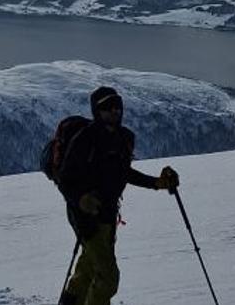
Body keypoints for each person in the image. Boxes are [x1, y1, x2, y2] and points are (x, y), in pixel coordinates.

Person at [57, 85, 178, 305]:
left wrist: (156, 183)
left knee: (89, 268)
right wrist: (81, 200)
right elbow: (65, 178)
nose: (114, 111)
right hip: (85, 217)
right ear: (97, 111)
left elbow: (124, 173)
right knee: (109, 277)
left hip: (108, 215)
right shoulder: (85, 139)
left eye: (117, 106)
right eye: (107, 107)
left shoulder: (123, 138)